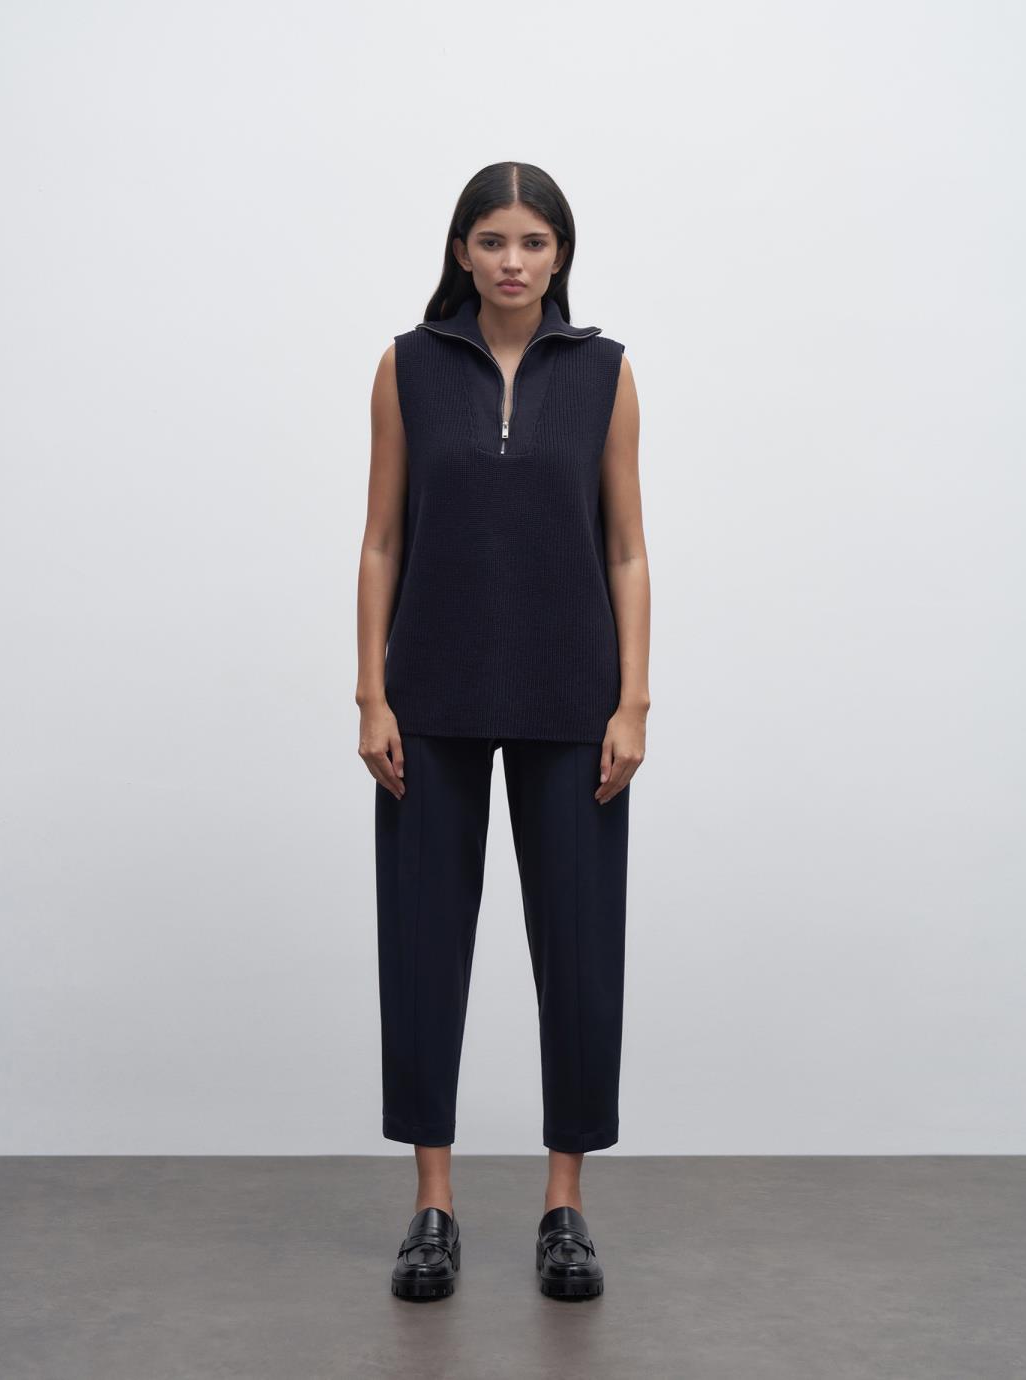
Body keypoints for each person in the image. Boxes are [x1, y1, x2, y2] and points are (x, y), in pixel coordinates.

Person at [355, 161, 650, 1301]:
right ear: (461, 251)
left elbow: (626, 546)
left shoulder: (605, 373)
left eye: (533, 241)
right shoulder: (408, 367)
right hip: (428, 696)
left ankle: (564, 1205)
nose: (513, 261)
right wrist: (372, 695)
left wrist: (632, 702)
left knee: (578, 950)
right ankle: (431, 1204)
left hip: (573, 698)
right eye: (492, 240)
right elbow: (382, 538)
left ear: (560, 253)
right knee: (424, 945)